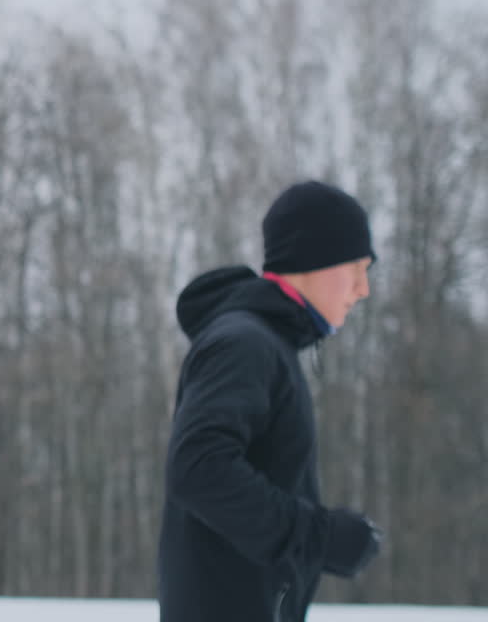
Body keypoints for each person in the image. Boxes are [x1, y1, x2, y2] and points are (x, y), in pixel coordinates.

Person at [158, 180, 384, 622]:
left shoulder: (266, 345)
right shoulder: (245, 345)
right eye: (356, 267)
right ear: (312, 261)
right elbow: (199, 468)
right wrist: (319, 536)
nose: (363, 289)